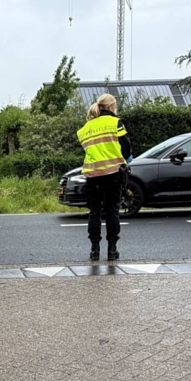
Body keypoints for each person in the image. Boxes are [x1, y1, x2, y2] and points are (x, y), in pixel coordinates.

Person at [76, 93, 132, 261]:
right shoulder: (116, 122)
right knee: (112, 210)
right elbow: (126, 148)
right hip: (113, 173)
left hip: (92, 175)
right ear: (110, 107)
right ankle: (112, 250)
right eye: (114, 106)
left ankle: (94, 250)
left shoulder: (85, 128)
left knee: (94, 212)